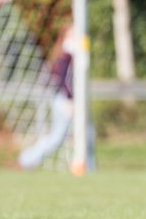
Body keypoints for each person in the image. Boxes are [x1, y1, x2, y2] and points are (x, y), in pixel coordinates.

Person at [18, 26, 95, 171]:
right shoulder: (66, 56)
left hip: (69, 100)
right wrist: (70, 99)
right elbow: (63, 81)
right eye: (73, 34)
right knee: (57, 137)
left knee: (87, 133)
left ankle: (89, 166)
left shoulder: (73, 55)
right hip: (65, 101)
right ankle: (27, 159)